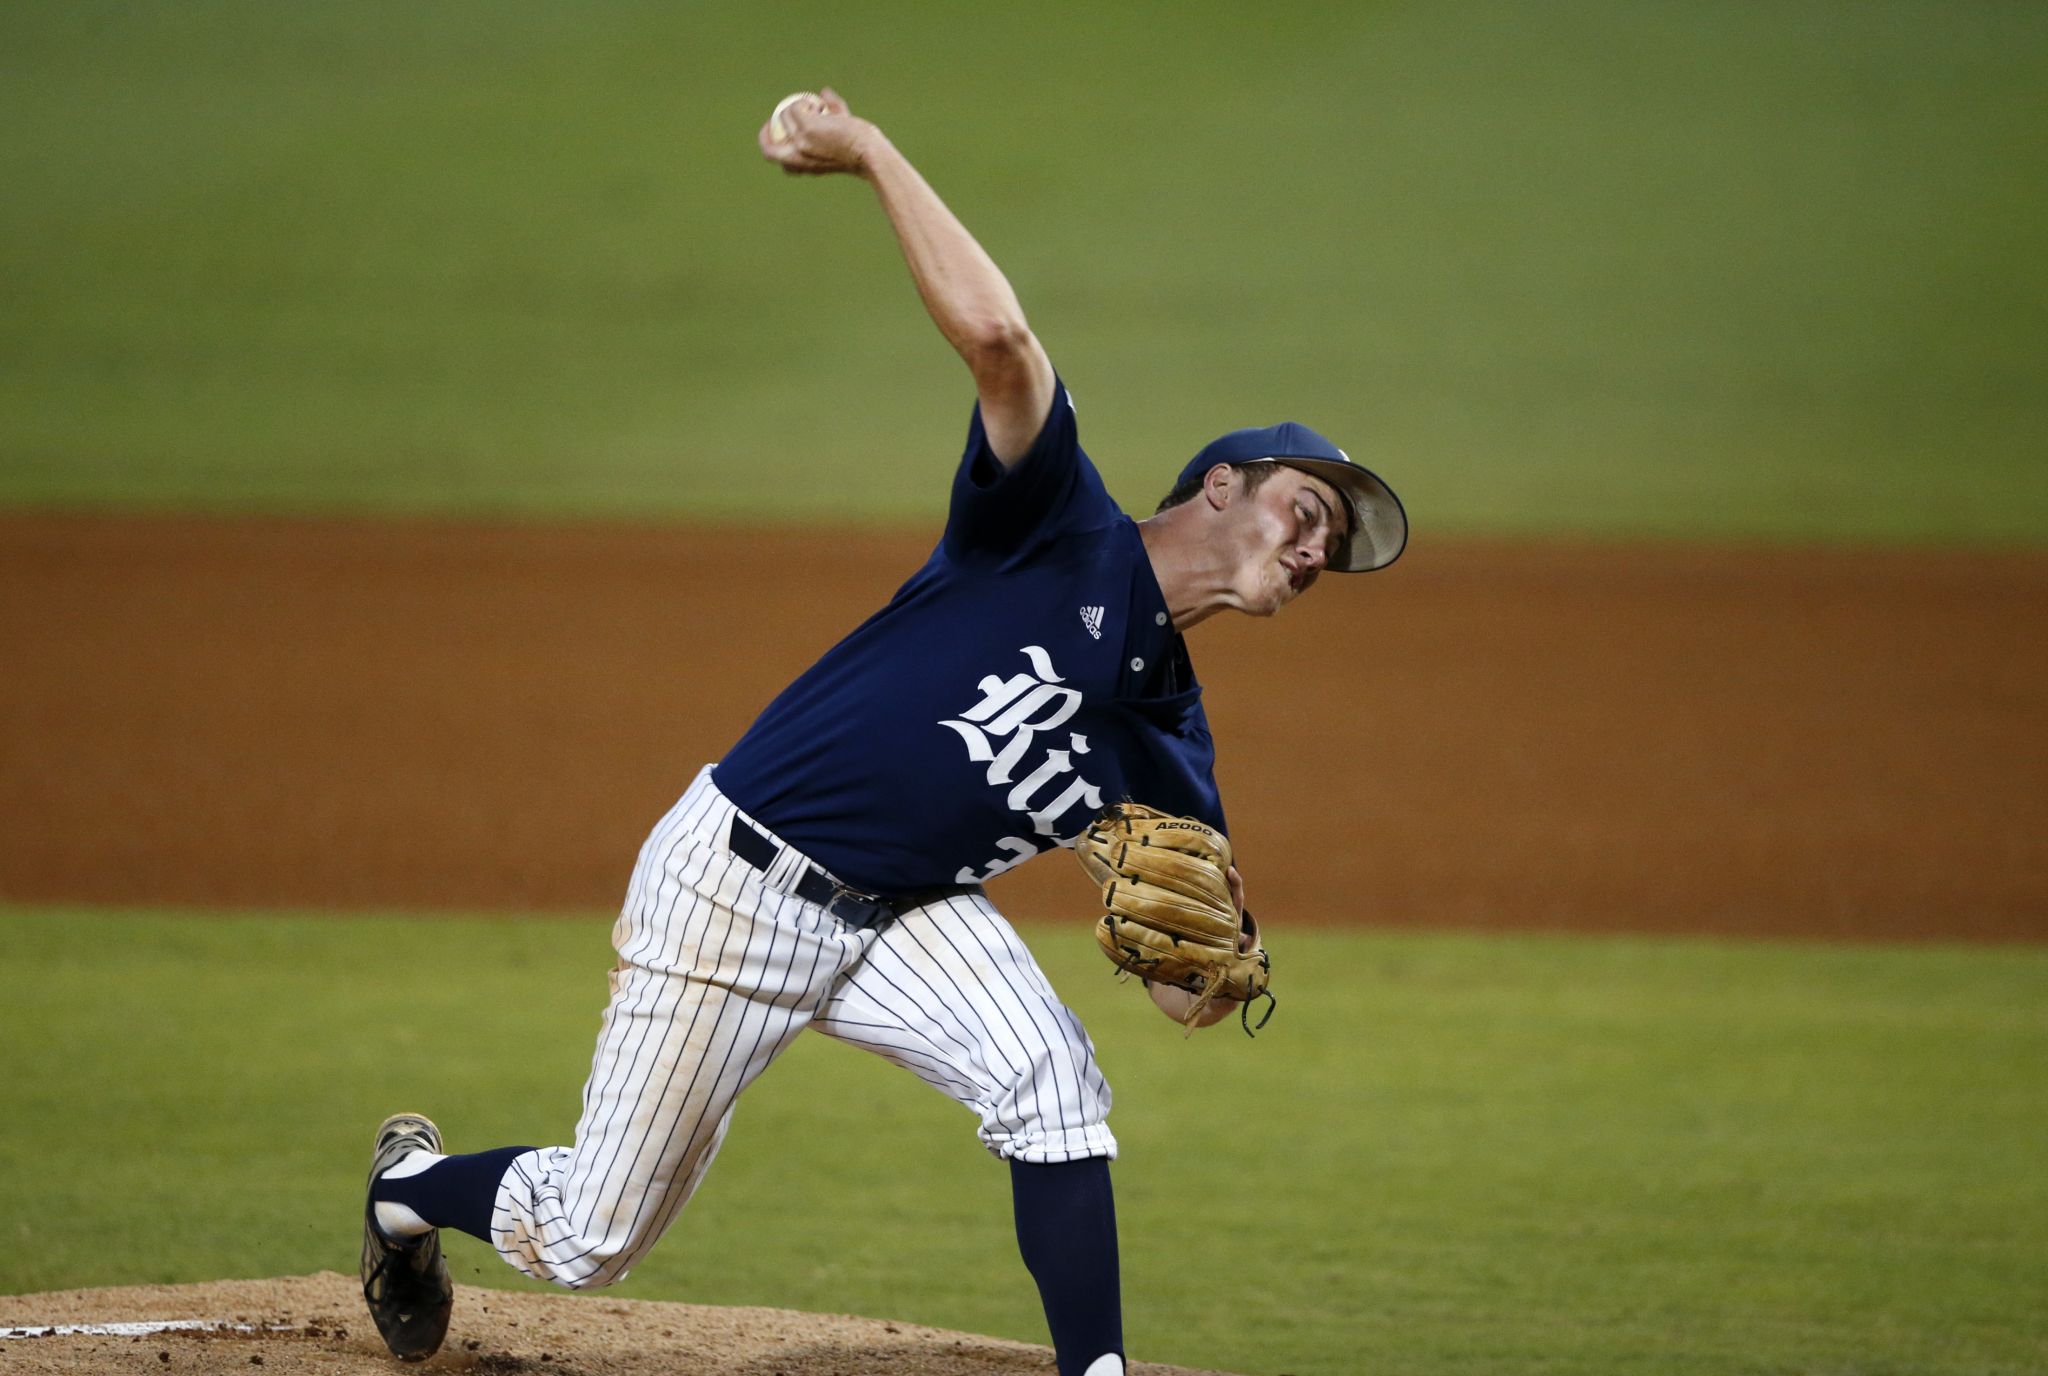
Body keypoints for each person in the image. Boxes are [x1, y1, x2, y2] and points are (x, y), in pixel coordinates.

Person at [358, 88, 1405, 1376]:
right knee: (589, 1240)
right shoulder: (1055, 524)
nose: (1315, 550)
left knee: (1053, 1082)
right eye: (1308, 510)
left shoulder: (1168, 734)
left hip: (905, 914)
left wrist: (1212, 959)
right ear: (1221, 484)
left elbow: (1190, 993)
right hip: (734, 889)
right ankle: (409, 1196)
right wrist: (865, 151)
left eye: (1334, 552)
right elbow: (1003, 343)